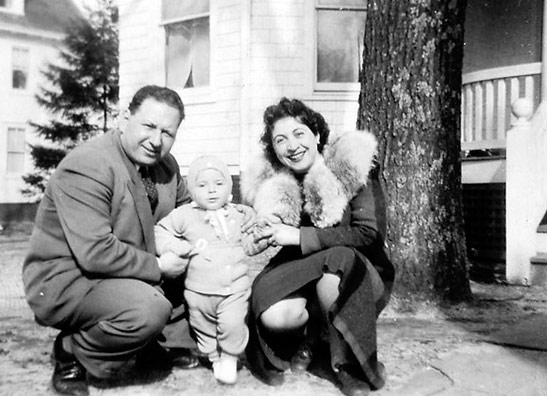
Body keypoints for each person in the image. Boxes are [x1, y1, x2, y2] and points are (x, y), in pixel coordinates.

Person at [22, 85, 202, 396]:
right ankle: (73, 351)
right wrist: (160, 265)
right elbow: (94, 252)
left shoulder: (166, 166)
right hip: (71, 277)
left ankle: (153, 344)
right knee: (148, 310)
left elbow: (188, 213)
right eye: (148, 126)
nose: (157, 140)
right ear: (124, 118)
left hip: (123, 272)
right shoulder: (89, 164)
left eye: (168, 133)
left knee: (202, 261)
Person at [241, 98, 395, 396]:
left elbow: (367, 235)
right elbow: (268, 242)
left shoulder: (351, 168)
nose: (292, 146)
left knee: (337, 262)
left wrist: (298, 236)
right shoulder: (279, 185)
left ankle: (349, 364)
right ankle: (310, 341)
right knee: (276, 314)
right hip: (308, 273)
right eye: (280, 140)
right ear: (274, 150)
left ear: (317, 135)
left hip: (358, 278)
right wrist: (260, 230)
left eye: (299, 134)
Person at [154, 155, 267, 385]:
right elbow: (159, 232)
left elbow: (250, 242)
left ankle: (229, 357)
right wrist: (178, 247)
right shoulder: (184, 215)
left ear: (229, 187)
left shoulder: (237, 215)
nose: (212, 191)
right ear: (192, 191)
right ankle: (213, 356)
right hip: (198, 292)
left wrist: (261, 236)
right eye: (202, 185)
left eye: (219, 184)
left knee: (232, 323)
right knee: (202, 325)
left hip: (234, 288)